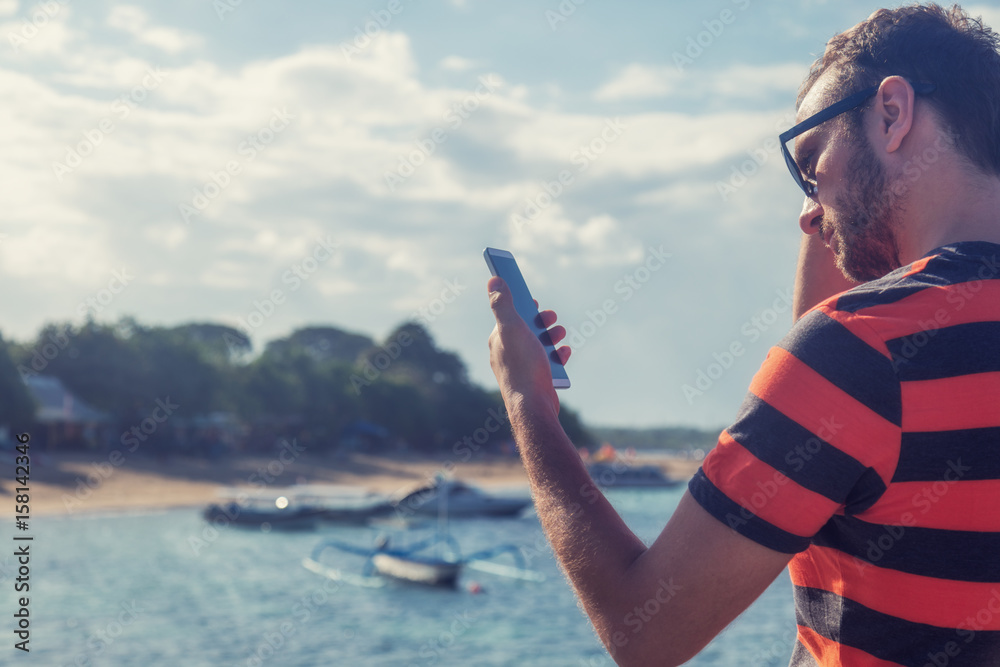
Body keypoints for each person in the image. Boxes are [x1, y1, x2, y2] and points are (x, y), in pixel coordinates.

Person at [486, 4, 1000, 666]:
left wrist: (528, 403)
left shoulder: (863, 352)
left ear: (893, 114)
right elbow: (833, 439)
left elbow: (643, 633)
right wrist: (842, 221)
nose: (809, 205)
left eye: (810, 157)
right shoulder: (870, 356)